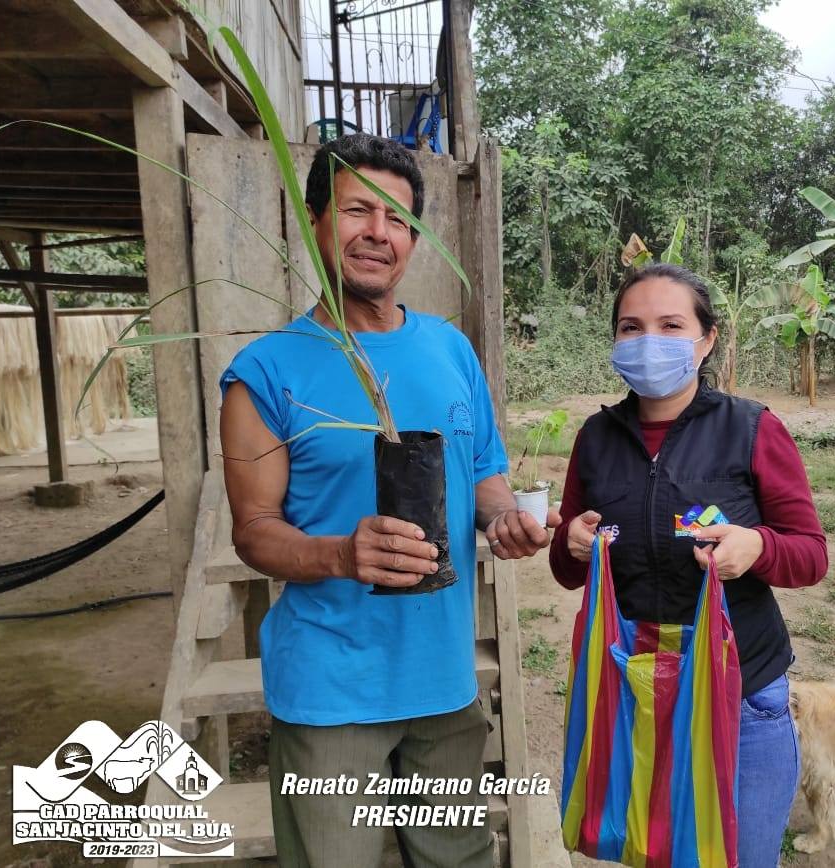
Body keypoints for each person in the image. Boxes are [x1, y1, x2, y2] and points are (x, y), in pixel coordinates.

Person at [219, 133, 559, 868]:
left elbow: (484, 472)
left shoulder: (450, 349)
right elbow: (254, 531)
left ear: (413, 240)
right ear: (315, 220)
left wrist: (505, 519)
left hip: (445, 680)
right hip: (331, 689)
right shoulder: (265, 372)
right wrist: (342, 554)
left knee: (459, 859)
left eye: (398, 219)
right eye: (357, 211)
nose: (378, 232)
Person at [549, 262, 828, 868]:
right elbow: (568, 571)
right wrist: (570, 541)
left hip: (742, 692)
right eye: (631, 327)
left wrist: (759, 547)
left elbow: (810, 554)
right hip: (631, 689)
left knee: (740, 857)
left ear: (706, 340)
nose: (648, 340)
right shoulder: (595, 438)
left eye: (671, 325)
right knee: (648, 851)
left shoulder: (752, 429)